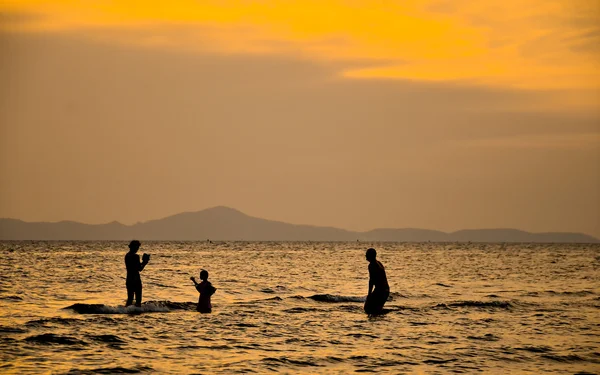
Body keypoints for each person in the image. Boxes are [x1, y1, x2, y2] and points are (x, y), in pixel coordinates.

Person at [364, 248, 390, 315]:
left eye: (367, 254)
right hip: (386, 290)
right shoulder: (379, 263)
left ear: (370, 255)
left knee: (367, 308)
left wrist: (369, 294)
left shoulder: (372, 265)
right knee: (377, 309)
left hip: (381, 290)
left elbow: (371, 281)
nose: (365, 256)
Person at [124, 240, 150, 307]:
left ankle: (127, 311)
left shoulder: (127, 256)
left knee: (130, 299)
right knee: (138, 301)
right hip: (136, 279)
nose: (137, 249)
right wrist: (145, 262)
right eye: (136, 247)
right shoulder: (136, 256)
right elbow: (139, 269)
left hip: (129, 279)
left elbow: (133, 267)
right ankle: (136, 313)